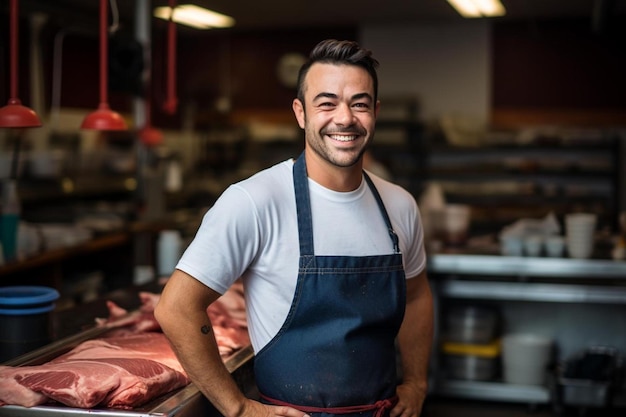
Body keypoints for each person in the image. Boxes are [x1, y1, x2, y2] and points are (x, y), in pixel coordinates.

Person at [155, 39, 433, 417]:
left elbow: (417, 296)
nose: (345, 118)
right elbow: (176, 308)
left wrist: (416, 382)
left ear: (376, 112)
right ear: (300, 112)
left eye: (360, 104)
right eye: (327, 102)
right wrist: (237, 408)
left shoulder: (399, 204)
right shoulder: (254, 201)